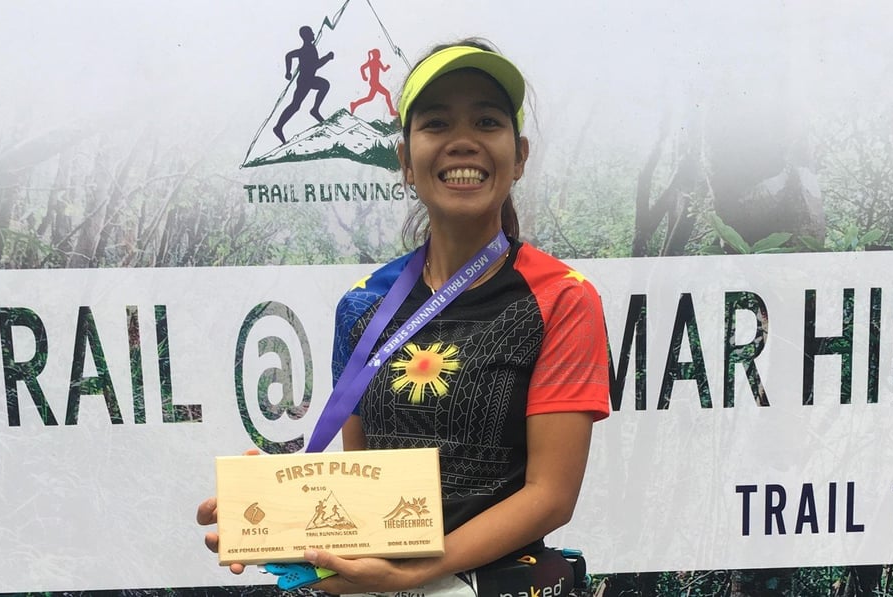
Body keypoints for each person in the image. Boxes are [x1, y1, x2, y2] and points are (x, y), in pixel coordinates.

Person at [198, 38, 610, 596]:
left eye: (487, 122)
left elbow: (549, 496)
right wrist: (274, 510)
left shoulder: (563, 298)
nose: (463, 143)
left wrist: (420, 570)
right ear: (404, 162)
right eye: (436, 124)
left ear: (520, 156)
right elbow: (360, 486)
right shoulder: (364, 305)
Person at [273, 25, 335, 144]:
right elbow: (315, 65)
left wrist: (288, 72)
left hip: (309, 79)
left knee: (324, 85)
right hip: (304, 81)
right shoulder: (307, 49)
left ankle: (315, 110)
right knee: (295, 106)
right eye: (311, 32)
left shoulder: (309, 47)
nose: (313, 34)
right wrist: (327, 58)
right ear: (306, 36)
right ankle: (278, 127)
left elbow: (289, 55)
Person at [349, 48, 399, 117]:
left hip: (375, 82)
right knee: (387, 93)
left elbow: (383, 69)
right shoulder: (372, 62)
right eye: (378, 54)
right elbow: (362, 68)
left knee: (369, 98)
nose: (379, 55)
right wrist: (364, 76)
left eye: (379, 54)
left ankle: (354, 104)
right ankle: (391, 111)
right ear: (375, 55)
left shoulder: (378, 61)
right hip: (374, 83)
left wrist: (387, 67)